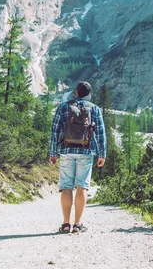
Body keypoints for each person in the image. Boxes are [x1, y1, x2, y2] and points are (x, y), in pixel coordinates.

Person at [49, 81, 106, 233]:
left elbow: (55, 130)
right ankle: (78, 224)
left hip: (66, 150)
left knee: (66, 186)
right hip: (86, 151)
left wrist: (53, 152)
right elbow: (100, 133)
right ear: (88, 94)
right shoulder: (94, 109)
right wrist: (102, 154)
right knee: (82, 186)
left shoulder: (63, 107)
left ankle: (66, 224)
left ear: (75, 92)